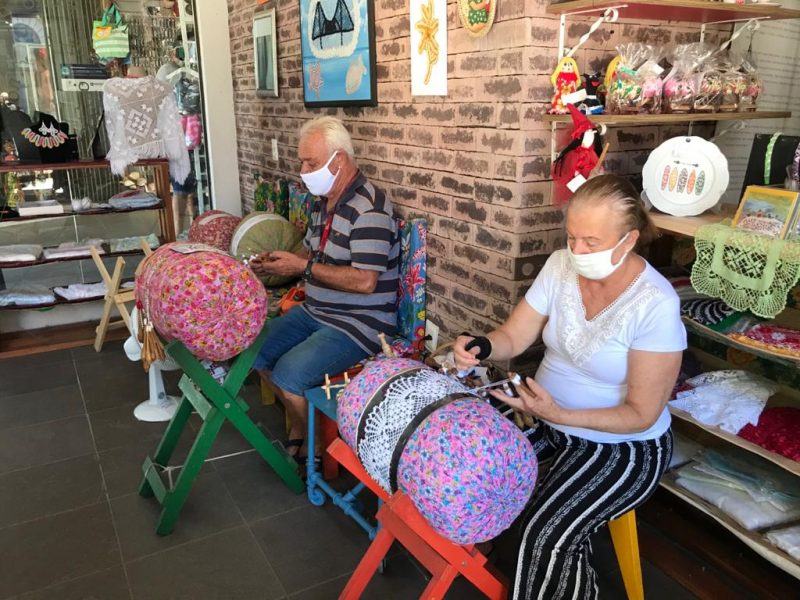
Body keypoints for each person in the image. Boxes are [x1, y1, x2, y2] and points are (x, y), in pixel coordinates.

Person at [454, 174, 686, 600]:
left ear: (629, 240)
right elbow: (515, 337)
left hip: (624, 446)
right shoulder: (562, 266)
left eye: (591, 242)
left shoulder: (656, 304)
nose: (576, 250)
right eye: (572, 237)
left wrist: (560, 414)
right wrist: (481, 345)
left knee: (544, 537)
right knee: (460, 456)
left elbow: (641, 413)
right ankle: (473, 550)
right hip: (544, 415)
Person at [251, 116, 399, 464]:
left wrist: (301, 267)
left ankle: (318, 446)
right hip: (316, 311)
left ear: (340, 160)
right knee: (253, 351)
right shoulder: (325, 200)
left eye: (311, 163)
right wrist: (279, 262)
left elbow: (365, 281)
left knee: (288, 374)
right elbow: (312, 253)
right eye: (302, 161)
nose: (303, 170)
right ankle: (304, 425)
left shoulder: (370, 209)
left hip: (359, 323)